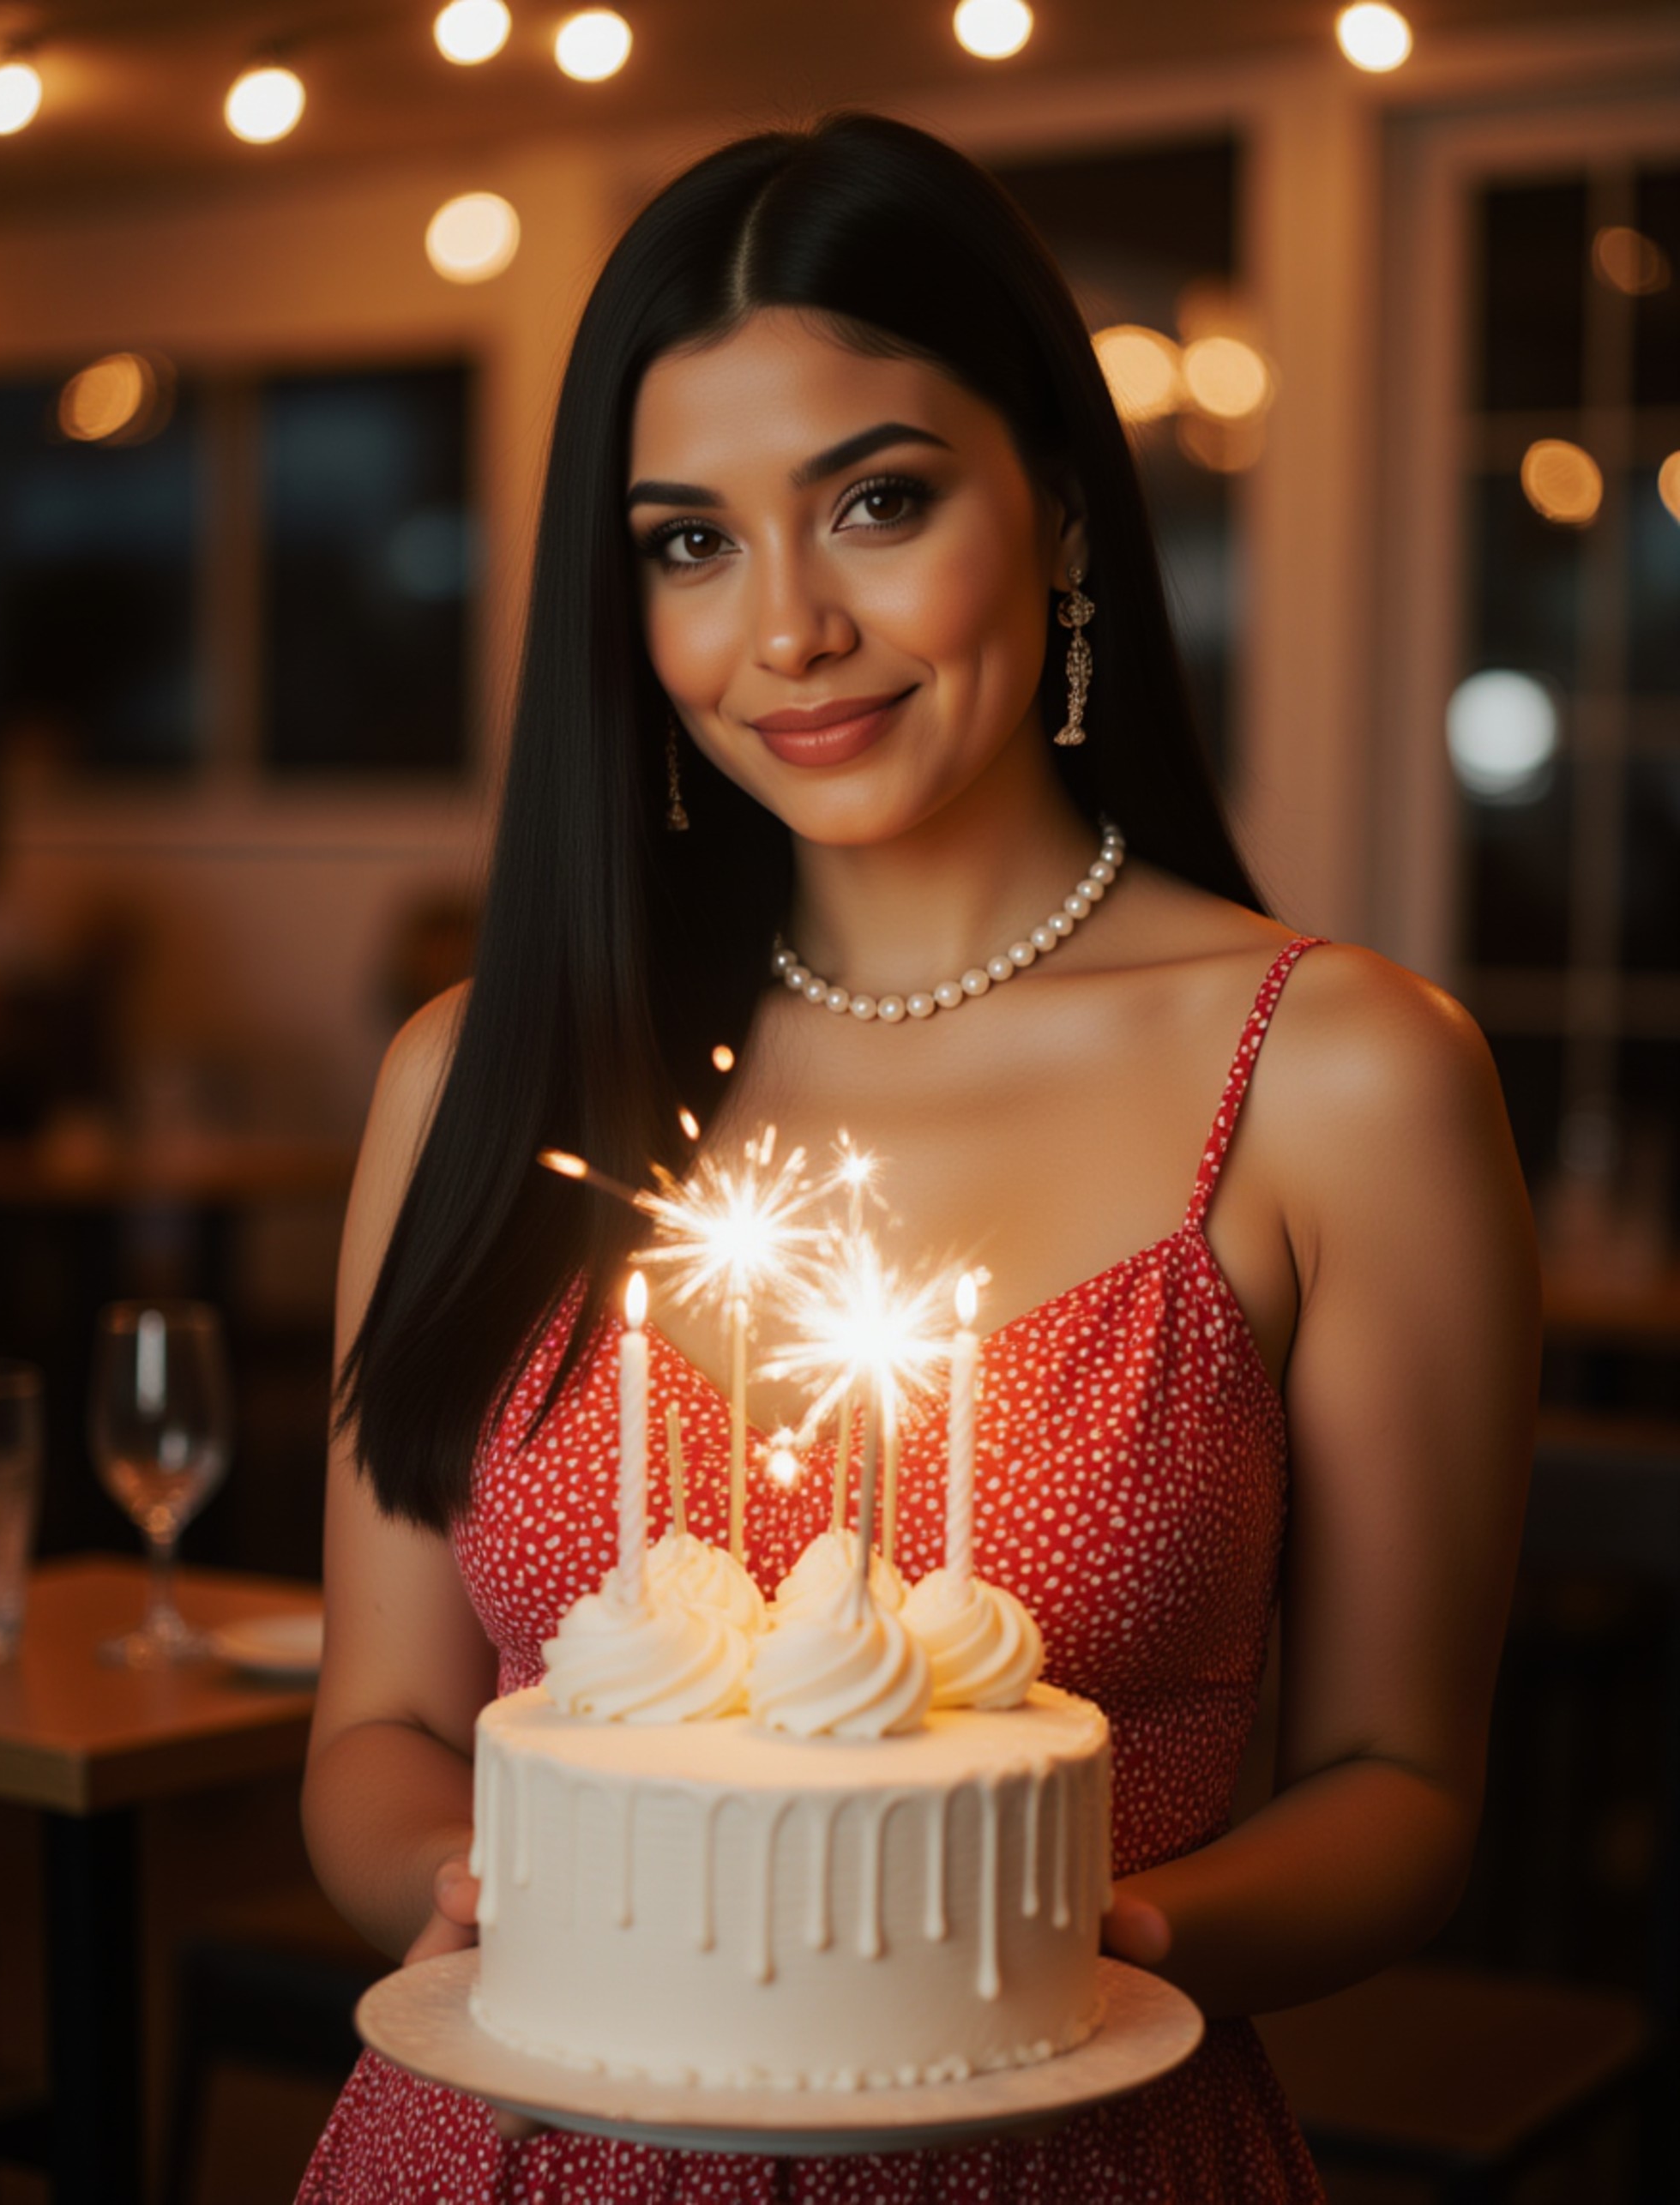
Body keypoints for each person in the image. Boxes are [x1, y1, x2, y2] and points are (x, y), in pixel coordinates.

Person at [297, 111, 1539, 2203]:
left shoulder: (1342, 1078)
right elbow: (372, 1728)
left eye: (874, 501)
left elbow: (1397, 1779)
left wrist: (1103, 1939)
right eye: (688, 540)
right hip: (508, 2147)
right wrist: (487, 1880)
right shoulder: (474, 1079)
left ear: (1057, 504)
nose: (783, 627)